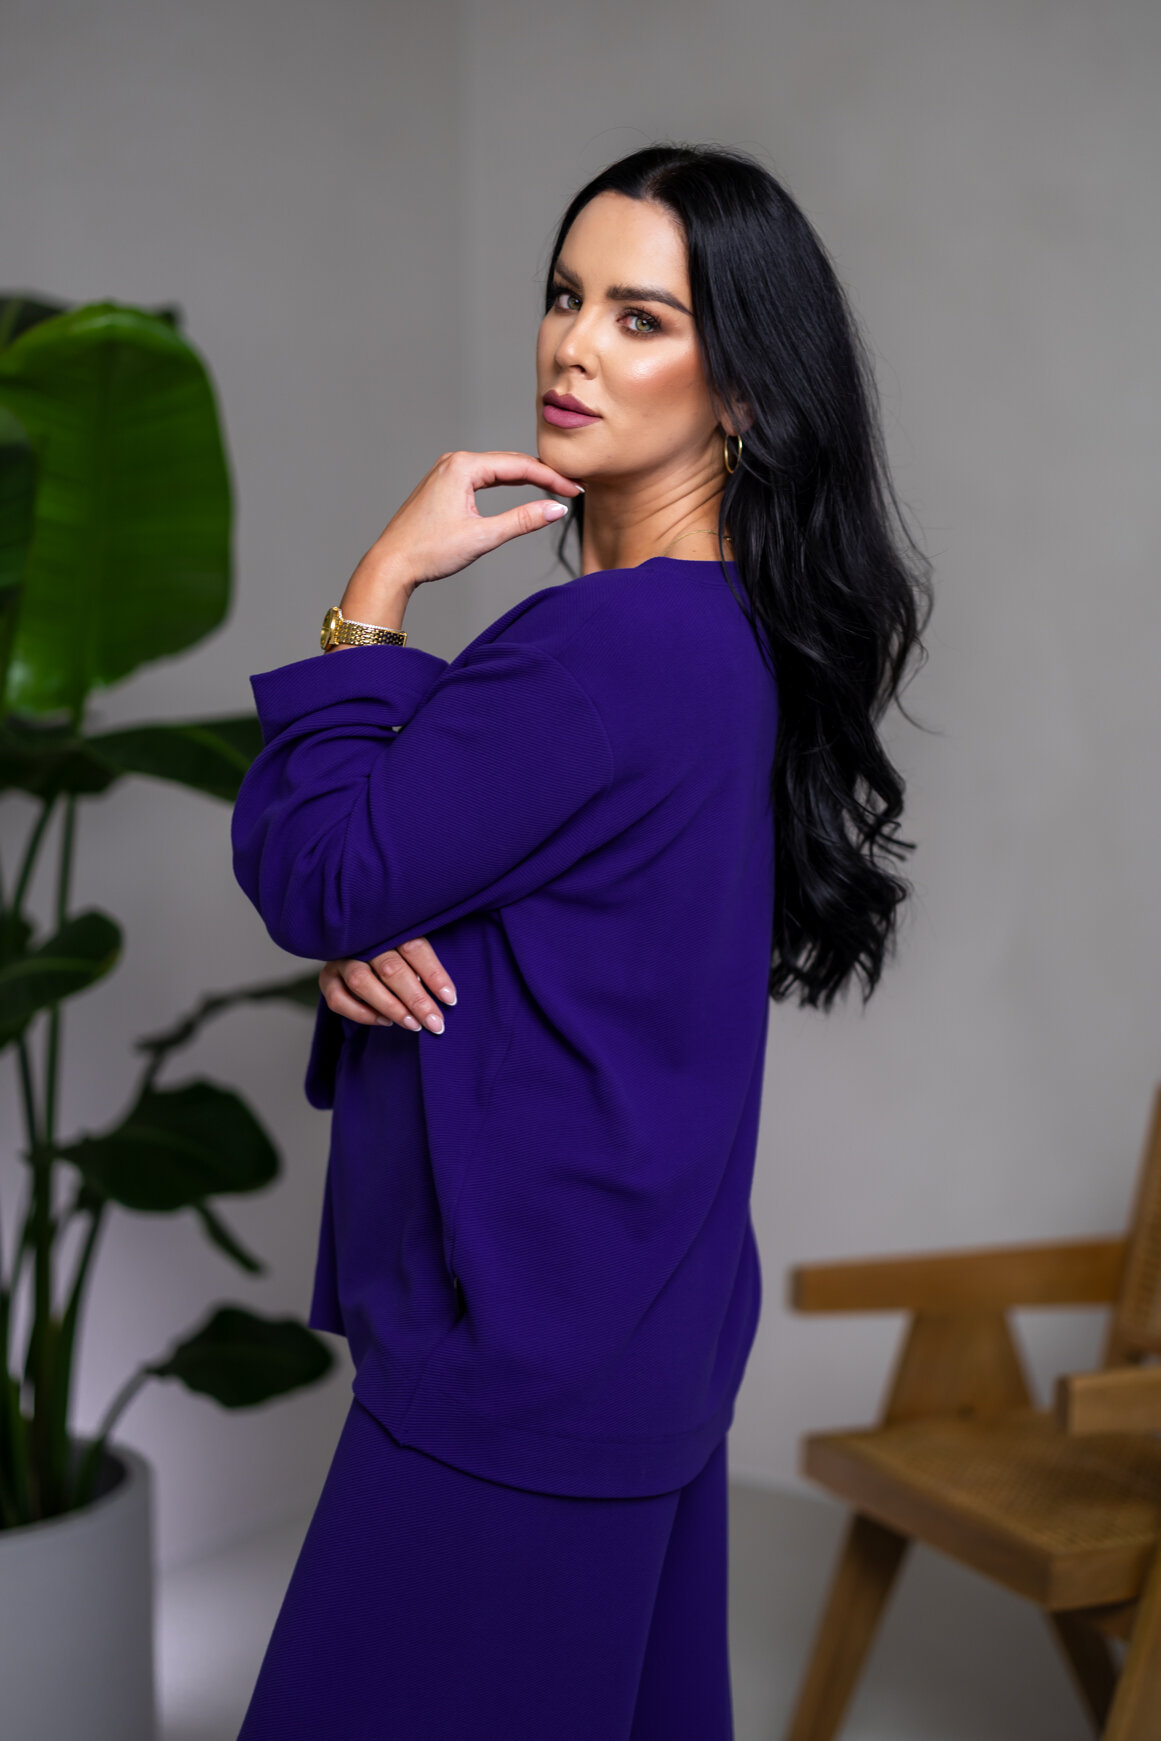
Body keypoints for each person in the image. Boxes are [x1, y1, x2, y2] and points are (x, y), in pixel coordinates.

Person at [230, 141, 932, 1741]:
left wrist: (375, 590)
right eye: (565, 296)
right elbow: (509, 896)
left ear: (739, 387)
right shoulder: (724, 635)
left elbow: (320, 873)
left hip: (516, 1358)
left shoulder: (600, 647)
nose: (571, 346)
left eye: (639, 318)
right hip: (640, 1329)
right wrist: (386, 908)